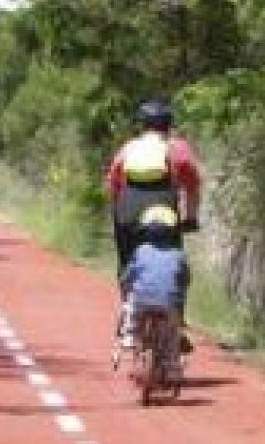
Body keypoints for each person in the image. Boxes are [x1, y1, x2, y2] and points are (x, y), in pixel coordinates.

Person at [104, 99, 202, 274]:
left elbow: (113, 187)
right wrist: (191, 218)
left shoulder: (129, 148)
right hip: (164, 212)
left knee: (126, 264)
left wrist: (119, 221)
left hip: (128, 211)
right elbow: (193, 186)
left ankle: (127, 287)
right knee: (173, 262)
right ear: (169, 125)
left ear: (142, 126)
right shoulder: (178, 148)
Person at [119, 218, 189, 373]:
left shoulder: (141, 250)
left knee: (133, 311)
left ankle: (130, 335)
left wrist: (124, 287)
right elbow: (185, 280)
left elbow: (128, 276)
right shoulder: (179, 254)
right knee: (172, 333)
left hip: (141, 301)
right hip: (169, 302)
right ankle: (172, 366)